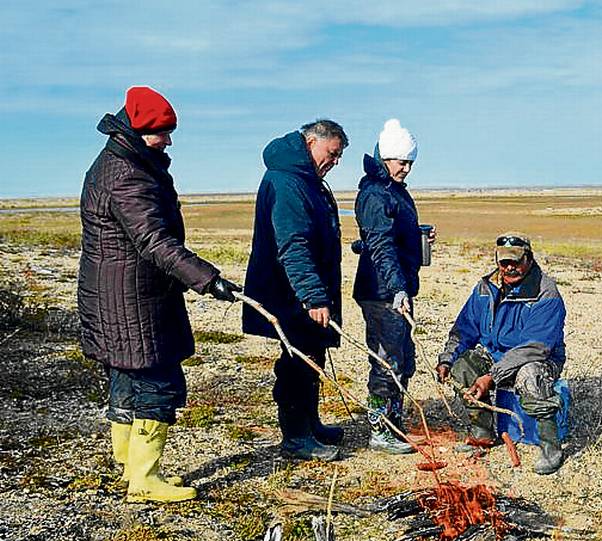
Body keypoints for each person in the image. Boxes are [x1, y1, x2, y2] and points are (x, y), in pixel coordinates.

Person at [78, 86, 241, 504]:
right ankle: (145, 478)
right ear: (139, 129)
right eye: (162, 132)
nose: (168, 140)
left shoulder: (121, 162)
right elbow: (155, 242)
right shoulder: (127, 174)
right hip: (133, 297)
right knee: (155, 379)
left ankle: (127, 463)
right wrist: (207, 279)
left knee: (127, 373)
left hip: (117, 293)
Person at [242, 120, 347, 461]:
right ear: (311, 141)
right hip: (291, 293)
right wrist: (313, 296)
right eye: (332, 153)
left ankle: (310, 423)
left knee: (312, 356)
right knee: (297, 360)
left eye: (339, 156)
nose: (334, 162)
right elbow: (293, 244)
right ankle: (295, 436)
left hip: (303, 288)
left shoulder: (308, 179)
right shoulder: (288, 180)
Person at [435, 233, 566, 475]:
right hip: (494, 355)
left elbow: (535, 347)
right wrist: (446, 360)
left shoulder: (546, 293)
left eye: (515, 261)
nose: (509, 267)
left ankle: (551, 447)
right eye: (504, 262)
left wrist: (492, 376)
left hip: (537, 359)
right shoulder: (485, 288)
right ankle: (482, 435)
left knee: (530, 374)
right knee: (462, 367)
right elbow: (463, 330)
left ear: (529, 259)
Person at [352, 119, 432, 455]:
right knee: (387, 360)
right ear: (385, 158)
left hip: (393, 287)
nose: (407, 168)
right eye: (402, 162)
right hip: (383, 292)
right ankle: (379, 429)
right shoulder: (375, 194)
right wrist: (398, 288)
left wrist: (416, 236)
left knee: (401, 356)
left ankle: (393, 421)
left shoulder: (395, 191)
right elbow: (381, 245)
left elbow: (379, 240)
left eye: (411, 162)